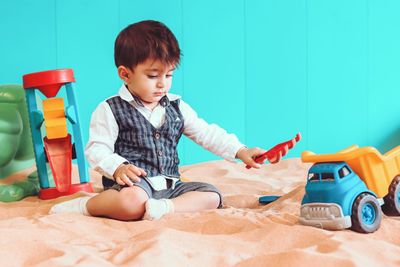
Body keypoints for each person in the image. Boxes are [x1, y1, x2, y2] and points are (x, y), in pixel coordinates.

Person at [49, 20, 276, 221]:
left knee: (213, 195)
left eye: (169, 75)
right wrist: (118, 166)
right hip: (133, 186)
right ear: (125, 74)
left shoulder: (176, 106)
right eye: (153, 76)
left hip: (170, 185)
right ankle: (86, 206)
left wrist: (240, 150)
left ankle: (166, 208)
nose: (162, 84)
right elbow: (96, 149)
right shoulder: (110, 108)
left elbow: (207, 133)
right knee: (131, 202)